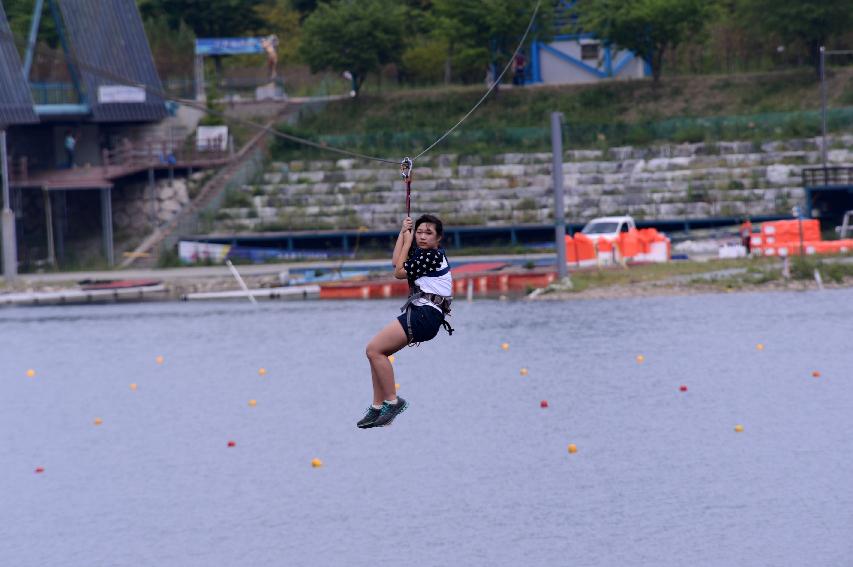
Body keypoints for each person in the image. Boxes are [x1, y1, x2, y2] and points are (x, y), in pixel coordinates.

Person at [358, 214, 454, 429]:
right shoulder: (421, 254)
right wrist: (403, 234)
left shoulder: (433, 256)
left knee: (374, 350)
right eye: (419, 232)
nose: (422, 236)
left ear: (438, 238)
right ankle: (377, 407)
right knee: (377, 354)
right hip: (423, 314)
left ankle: (393, 401)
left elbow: (399, 273)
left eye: (428, 233)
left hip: (426, 315)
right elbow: (395, 261)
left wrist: (408, 240)